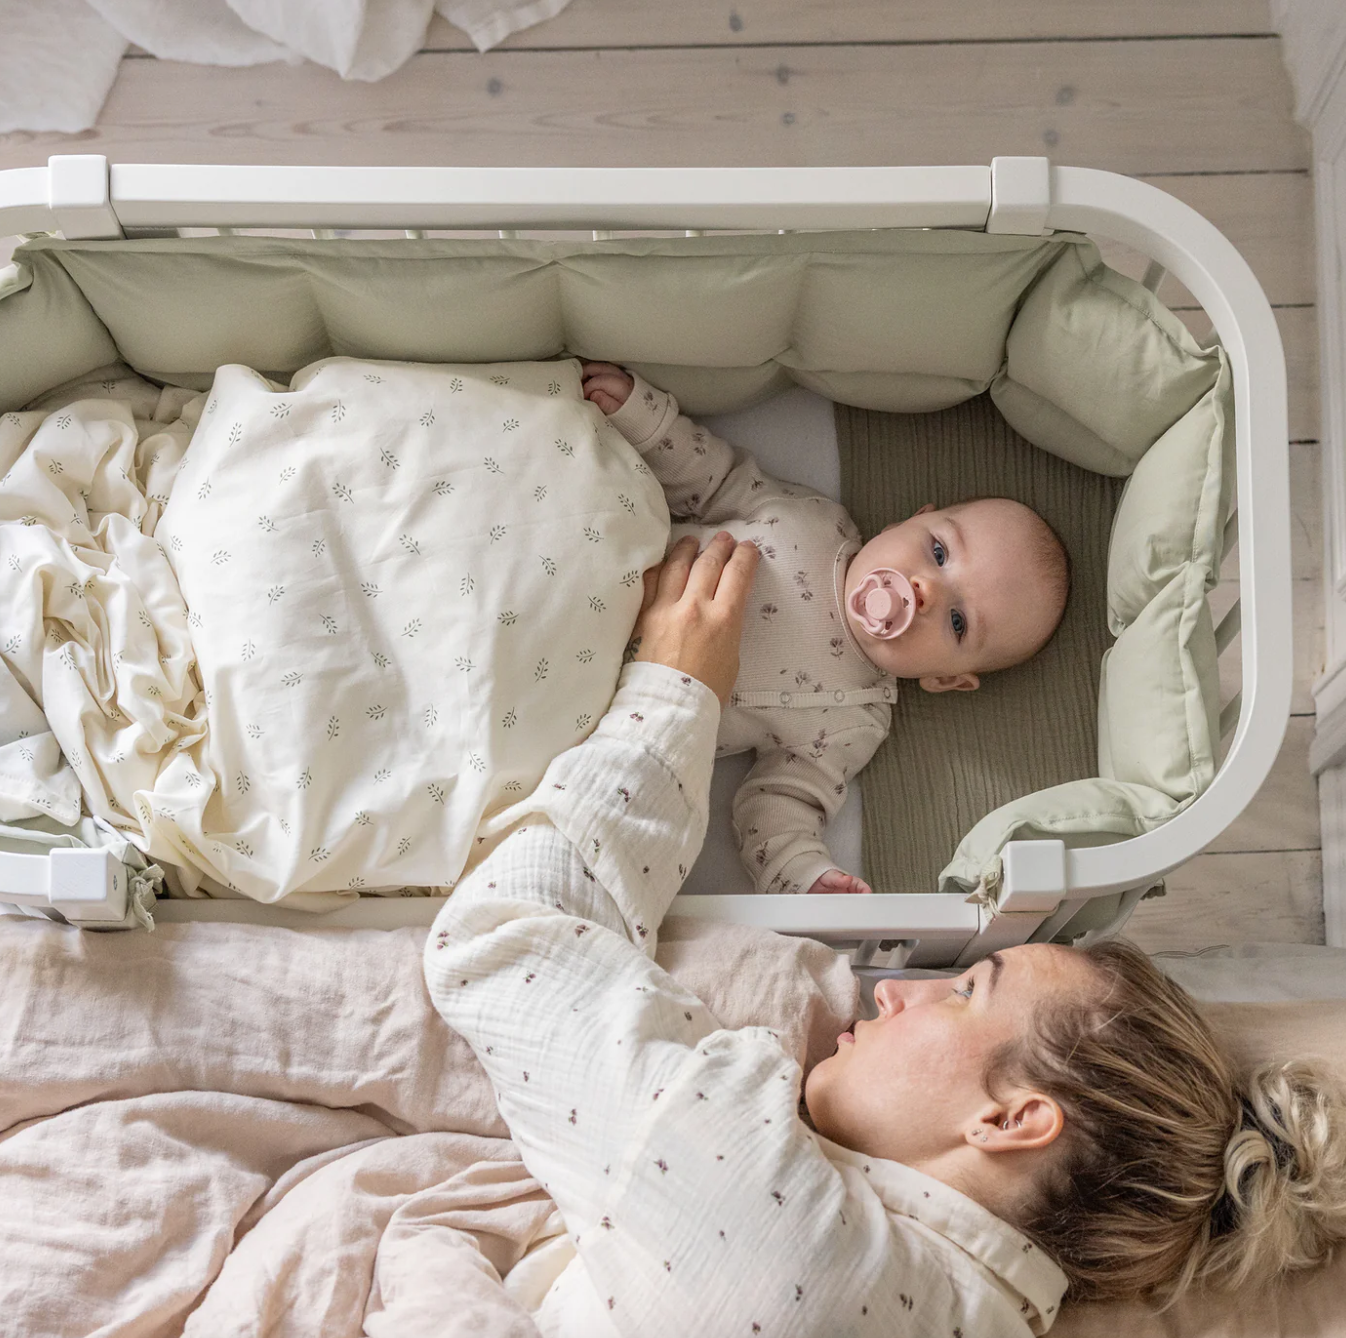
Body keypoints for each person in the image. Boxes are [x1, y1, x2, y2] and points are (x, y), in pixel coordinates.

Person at [424, 531, 1346, 1337]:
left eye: (963, 993)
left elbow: (506, 940)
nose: (897, 987)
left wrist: (675, 694)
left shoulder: (768, 1210)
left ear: (1012, 1118)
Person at [580, 362, 1069, 896]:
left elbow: (781, 806)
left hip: (587, 713)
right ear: (905, 521)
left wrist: (806, 877)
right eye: (937, 551)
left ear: (947, 679)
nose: (925, 589)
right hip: (593, 561)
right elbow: (712, 478)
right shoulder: (817, 522)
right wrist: (644, 420)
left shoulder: (852, 717)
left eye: (957, 621)